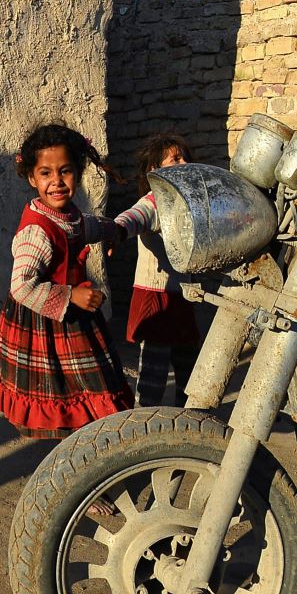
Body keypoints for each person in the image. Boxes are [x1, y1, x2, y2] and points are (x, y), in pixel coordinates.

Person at [0, 124, 132, 439]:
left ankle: (87, 454)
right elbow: (22, 286)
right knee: (71, 393)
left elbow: (82, 228)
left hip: (72, 320)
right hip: (49, 326)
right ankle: (78, 463)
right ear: (31, 178)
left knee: (87, 390)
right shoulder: (37, 231)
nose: (56, 181)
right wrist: (71, 296)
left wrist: (114, 230)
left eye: (65, 171)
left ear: (79, 173)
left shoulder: (64, 215)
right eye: (45, 173)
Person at [112, 132, 203, 407]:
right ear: (155, 170)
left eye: (185, 157)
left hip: (183, 297)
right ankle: (144, 420)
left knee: (188, 364)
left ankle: (189, 417)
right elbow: (134, 217)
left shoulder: (189, 202)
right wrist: (116, 231)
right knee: (154, 367)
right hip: (156, 297)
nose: (184, 162)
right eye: (175, 158)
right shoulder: (154, 201)